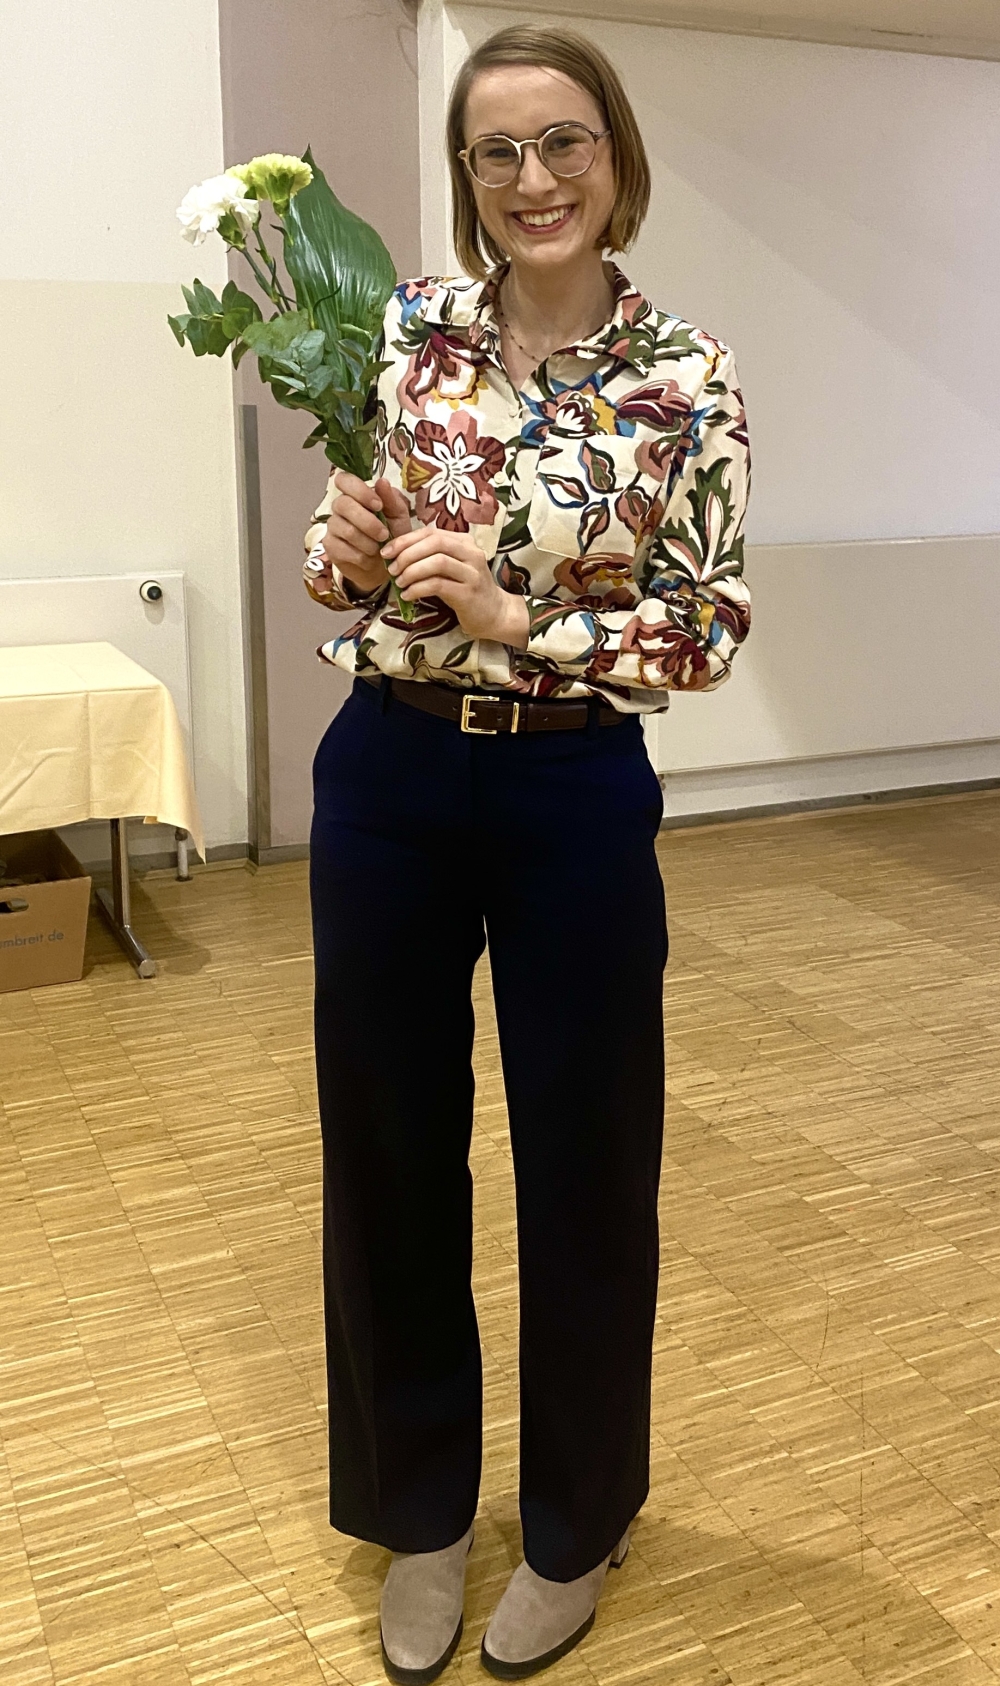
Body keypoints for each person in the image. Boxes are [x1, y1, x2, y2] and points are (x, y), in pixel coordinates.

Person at [303, 23, 751, 1683]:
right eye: (495, 151)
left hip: (572, 792)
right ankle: (419, 1513)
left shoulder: (687, 376)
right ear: (465, 178)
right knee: (389, 1152)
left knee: (587, 1163)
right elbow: (340, 566)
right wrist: (346, 549)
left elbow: (705, 629)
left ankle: (575, 1523)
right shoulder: (407, 334)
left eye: (563, 141)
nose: (532, 178)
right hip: (389, 777)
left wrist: (518, 619)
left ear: (615, 156)